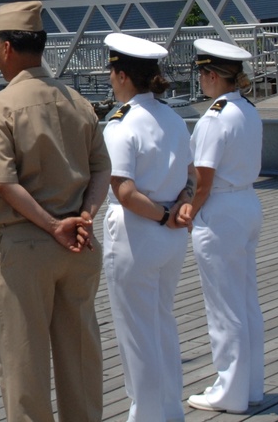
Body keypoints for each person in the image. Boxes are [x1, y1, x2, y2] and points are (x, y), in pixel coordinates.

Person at [0, 1, 111, 422]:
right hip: (81, 243)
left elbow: (4, 182)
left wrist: (53, 226)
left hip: (28, 245)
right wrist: (84, 215)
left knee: (24, 363)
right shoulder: (78, 102)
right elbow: (101, 167)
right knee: (81, 356)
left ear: (7, 48)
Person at [102, 32, 192, 422]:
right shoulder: (173, 118)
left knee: (136, 334)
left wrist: (161, 216)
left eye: (111, 72)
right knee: (162, 322)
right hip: (172, 236)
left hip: (138, 233)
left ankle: (145, 416)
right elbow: (190, 176)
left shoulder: (120, 124)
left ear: (122, 76)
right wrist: (181, 208)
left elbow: (123, 190)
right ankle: (170, 411)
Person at [177, 39, 265, 415]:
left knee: (223, 306)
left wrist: (188, 213)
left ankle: (228, 390)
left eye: (201, 73)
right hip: (247, 203)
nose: (200, 80)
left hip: (221, 211)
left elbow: (204, 179)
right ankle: (251, 386)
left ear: (212, 75)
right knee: (245, 301)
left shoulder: (215, 116)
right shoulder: (247, 110)